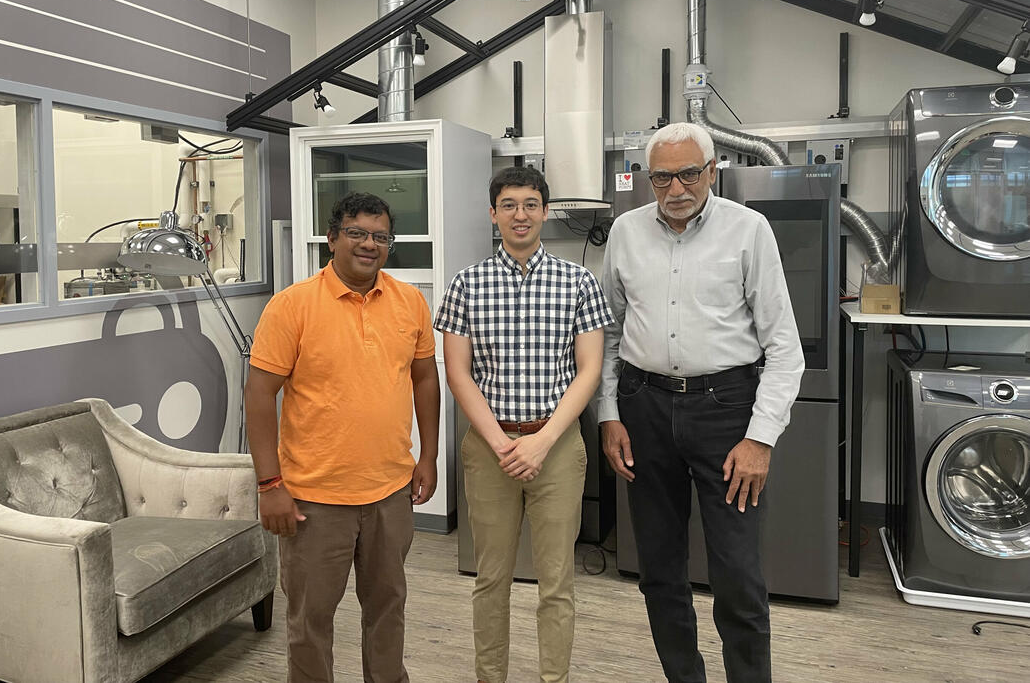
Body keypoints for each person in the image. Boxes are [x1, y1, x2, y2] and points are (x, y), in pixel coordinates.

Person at [598, 122, 804, 683]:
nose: (677, 188)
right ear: (648, 179)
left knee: (737, 573)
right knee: (658, 571)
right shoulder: (625, 231)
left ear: (713, 171)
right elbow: (610, 332)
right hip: (643, 408)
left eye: (690, 173)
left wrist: (760, 438)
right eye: (663, 177)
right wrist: (609, 414)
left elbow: (784, 346)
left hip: (726, 413)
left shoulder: (749, 230)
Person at [245, 191, 440, 683]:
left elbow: (424, 379)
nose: (369, 244)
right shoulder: (292, 306)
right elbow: (258, 394)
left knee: (388, 608)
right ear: (332, 238)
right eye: (356, 232)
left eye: (380, 236)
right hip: (314, 499)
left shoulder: (409, 301)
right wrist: (270, 485)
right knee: (310, 621)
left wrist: (430, 456)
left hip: (390, 492)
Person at [433, 166, 614, 683]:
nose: (520, 214)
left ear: (545, 212)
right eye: (509, 204)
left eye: (530, 203)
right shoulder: (467, 284)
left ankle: (552, 678)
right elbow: (459, 374)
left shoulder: (578, 281)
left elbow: (590, 371)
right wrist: (501, 442)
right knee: (491, 578)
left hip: (556, 447)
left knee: (557, 581)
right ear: (494, 214)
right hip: (489, 448)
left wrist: (541, 442)